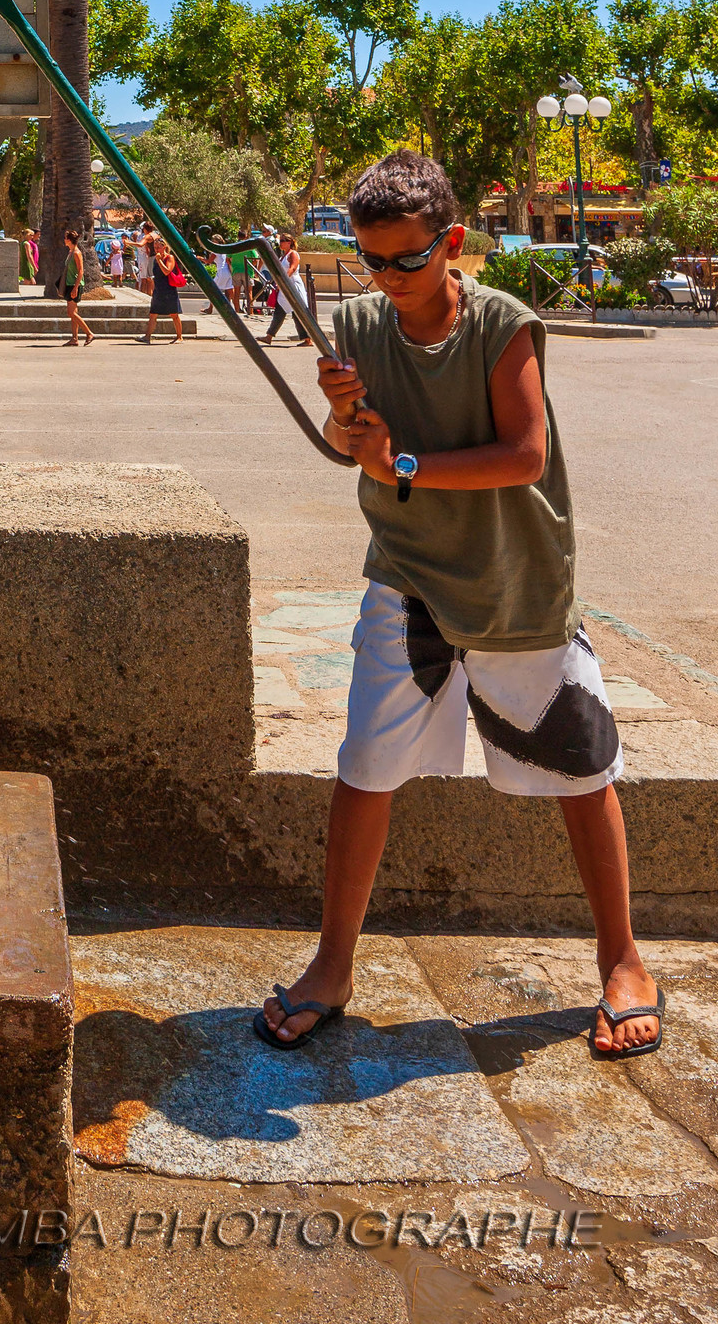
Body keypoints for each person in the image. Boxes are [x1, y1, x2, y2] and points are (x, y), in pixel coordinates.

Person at [257, 150, 662, 1064]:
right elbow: (348, 450)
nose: (389, 279)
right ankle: (332, 965)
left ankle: (624, 960)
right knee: (364, 763)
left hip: (514, 582)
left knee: (580, 769)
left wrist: (400, 465)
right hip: (406, 573)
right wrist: (342, 418)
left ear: (450, 241)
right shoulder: (357, 324)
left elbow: (523, 453)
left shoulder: (501, 323)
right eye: (372, 260)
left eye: (408, 258)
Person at [263, 231, 311, 347]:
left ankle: (307, 339)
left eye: (283, 241)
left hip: (292, 285)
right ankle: (269, 336)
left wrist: (283, 280)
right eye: (280, 241)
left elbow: (292, 268)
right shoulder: (283, 255)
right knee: (280, 310)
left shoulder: (293, 254)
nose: (281, 243)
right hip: (285, 286)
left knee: (297, 312)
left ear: (289, 242)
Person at [144, 239, 185, 345]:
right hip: (159, 289)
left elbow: (167, 271)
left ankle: (179, 337)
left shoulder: (169, 257)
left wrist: (159, 261)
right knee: (153, 314)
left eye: (158, 247)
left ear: (164, 247)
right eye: (155, 247)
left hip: (169, 290)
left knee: (174, 314)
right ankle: (147, 336)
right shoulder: (156, 259)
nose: (156, 249)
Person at [61, 229, 94, 346]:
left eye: (65, 238)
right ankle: (74, 338)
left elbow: (81, 271)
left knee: (71, 313)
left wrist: (75, 287)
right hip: (69, 284)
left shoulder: (76, 253)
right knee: (73, 312)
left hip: (75, 285)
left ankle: (89, 333)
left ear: (69, 240)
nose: (64, 240)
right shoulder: (70, 252)